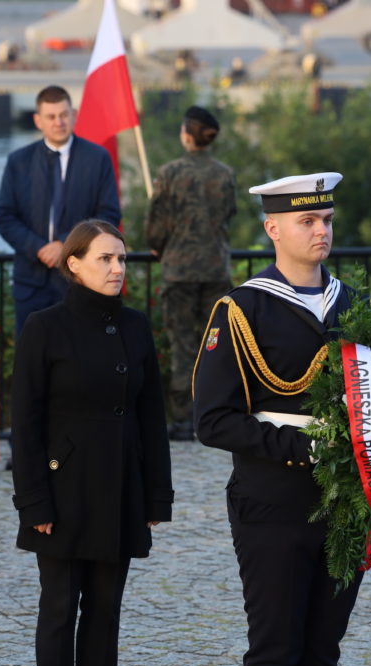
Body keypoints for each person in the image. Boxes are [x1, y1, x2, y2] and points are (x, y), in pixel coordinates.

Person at [193, 172, 361, 666]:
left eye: (327, 220)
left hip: (344, 504)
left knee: (323, 653)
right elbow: (213, 420)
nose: (321, 231)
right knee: (275, 650)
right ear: (272, 229)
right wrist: (304, 447)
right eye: (307, 221)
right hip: (272, 497)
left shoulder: (354, 306)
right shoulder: (243, 309)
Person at [11, 219, 172, 666]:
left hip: (120, 488)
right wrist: (34, 500)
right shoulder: (44, 327)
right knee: (59, 612)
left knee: (105, 614)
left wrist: (155, 498)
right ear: (74, 264)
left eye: (122, 259)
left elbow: (152, 419)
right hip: (63, 492)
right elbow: (26, 422)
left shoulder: (135, 327)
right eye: (106, 258)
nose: (118, 268)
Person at [0, 85, 122, 336]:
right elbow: (5, 216)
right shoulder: (18, 161)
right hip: (31, 283)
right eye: (51, 117)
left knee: (83, 361)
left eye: (64, 115)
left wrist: (65, 245)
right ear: (38, 120)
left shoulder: (97, 158)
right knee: (33, 363)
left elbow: (108, 214)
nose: (58, 122)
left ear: (73, 115)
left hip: (82, 282)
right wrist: (39, 248)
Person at [145, 106, 236, 441]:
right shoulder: (225, 173)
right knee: (216, 346)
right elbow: (229, 215)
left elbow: (156, 223)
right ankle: (215, 415)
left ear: (186, 135)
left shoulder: (169, 173)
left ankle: (184, 420)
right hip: (216, 269)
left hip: (179, 272)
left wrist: (157, 245)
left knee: (183, 346)